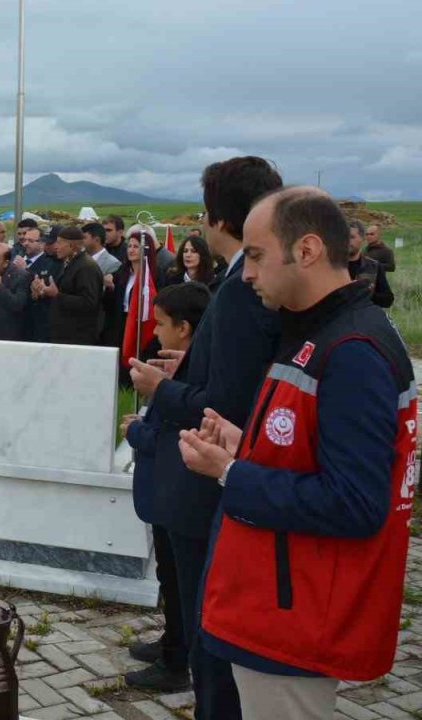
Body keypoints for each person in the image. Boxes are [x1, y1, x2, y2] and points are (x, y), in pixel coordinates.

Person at [178, 187, 415, 720]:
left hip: (295, 619)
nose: (246, 273)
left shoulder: (353, 350)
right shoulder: (316, 330)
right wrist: (247, 445)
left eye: (257, 255)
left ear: (306, 251)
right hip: (270, 605)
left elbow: (354, 503)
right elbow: (308, 449)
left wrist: (231, 472)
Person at [128, 156, 284, 720]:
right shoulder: (239, 283)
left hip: (203, 484)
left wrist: (159, 389)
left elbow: (227, 403)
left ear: (219, 219)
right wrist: (186, 367)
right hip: (207, 478)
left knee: (208, 634)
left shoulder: (244, 289)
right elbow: (222, 373)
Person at [120, 281, 211, 693]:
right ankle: (172, 640)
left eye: (160, 323)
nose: (154, 331)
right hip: (163, 494)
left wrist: (137, 431)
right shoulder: (188, 366)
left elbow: (172, 436)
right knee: (168, 576)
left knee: (180, 580)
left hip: (178, 491)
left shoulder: (203, 375)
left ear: (185, 328)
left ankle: (178, 662)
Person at [41, 226, 104, 346]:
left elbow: (89, 302)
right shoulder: (69, 263)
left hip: (78, 337)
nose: (56, 247)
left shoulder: (86, 267)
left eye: (59, 243)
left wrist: (57, 295)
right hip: (64, 335)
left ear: (71, 245)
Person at [111, 229, 163, 353]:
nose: (131, 250)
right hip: (122, 323)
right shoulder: (122, 273)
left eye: (135, 246)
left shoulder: (155, 275)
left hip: (142, 323)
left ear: (146, 249)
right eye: (129, 246)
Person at [22, 226, 61, 342]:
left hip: (42, 321)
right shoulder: (16, 258)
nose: (26, 244)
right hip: (21, 321)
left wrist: (25, 271)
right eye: (25, 240)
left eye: (31, 241)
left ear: (41, 244)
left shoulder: (52, 262)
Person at [348, 220, 394, 308]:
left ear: (362, 239)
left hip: (364, 318)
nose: (346, 241)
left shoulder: (375, 267)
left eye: (351, 237)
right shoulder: (331, 267)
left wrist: (366, 293)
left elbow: (388, 300)